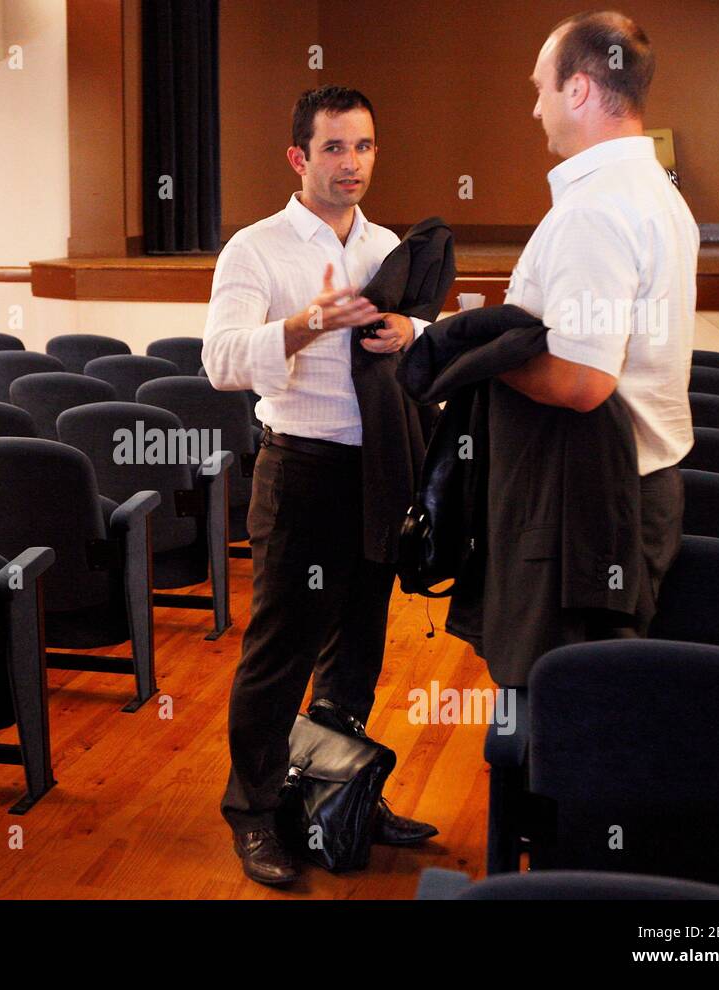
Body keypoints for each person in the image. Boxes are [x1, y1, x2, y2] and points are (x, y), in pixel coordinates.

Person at [203, 85, 439, 887]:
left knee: (358, 649)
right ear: (299, 157)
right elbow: (221, 360)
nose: (353, 163)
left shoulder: (386, 246)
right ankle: (257, 813)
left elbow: (421, 344)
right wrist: (307, 323)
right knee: (281, 651)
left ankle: (346, 794)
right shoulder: (256, 248)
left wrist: (417, 332)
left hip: (377, 470)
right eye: (335, 148)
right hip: (300, 470)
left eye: (365, 147)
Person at [499, 10, 696, 628]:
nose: (536, 110)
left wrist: (479, 360)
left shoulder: (597, 208)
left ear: (578, 89)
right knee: (604, 694)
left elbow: (584, 382)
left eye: (540, 89)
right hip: (636, 488)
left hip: (593, 501)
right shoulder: (655, 190)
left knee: (570, 700)